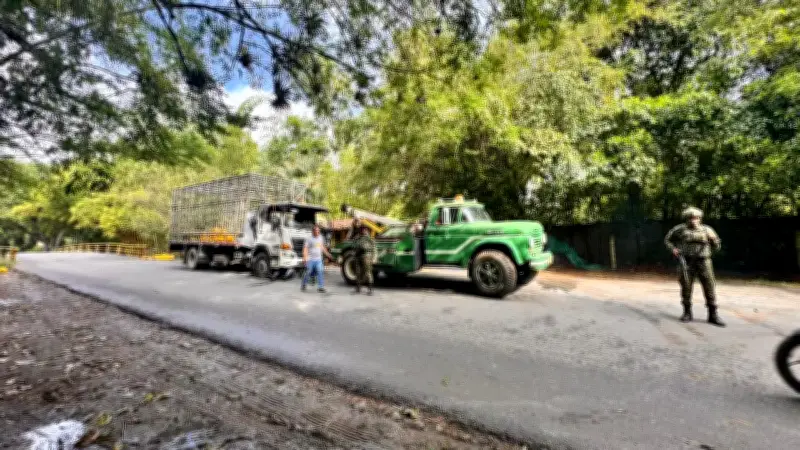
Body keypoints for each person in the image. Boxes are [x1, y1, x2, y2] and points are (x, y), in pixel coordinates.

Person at [664, 207, 725, 327]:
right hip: (686, 261)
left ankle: (713, 314)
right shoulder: (679, 229)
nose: (693, 220)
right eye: (690, 218)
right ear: (686, 219)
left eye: (696, 218)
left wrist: (714, 242)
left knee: (709, 286)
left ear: (700, 219)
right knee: (686, 286)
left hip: (704, 261)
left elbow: (717, 246)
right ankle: (687, 312)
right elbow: (668, 240)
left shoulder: (707, 230)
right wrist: (673, 250)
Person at [301, 225, 333, 293]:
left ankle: (321, 287)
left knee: (320, 271)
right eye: (316, 231)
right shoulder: (309, 238)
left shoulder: (321, 237)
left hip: (318, 259)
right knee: (308, 272)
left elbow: (322, 247)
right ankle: (304, 284)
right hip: (310, 259)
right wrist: (305, 258)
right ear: (313, 231)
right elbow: (305, 249)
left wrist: (328, 254)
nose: (317, 233)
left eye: (318, 231)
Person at [353, 225, 375, 295]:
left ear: (367, 230)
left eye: (365, 230)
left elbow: (374, 248)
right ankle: (358, 287)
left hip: (366, 256)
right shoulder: (358, 238)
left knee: (368, 272)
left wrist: (374, 258)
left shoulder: (369, 238)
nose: (364, 231)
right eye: (362, 229)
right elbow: (354, 245)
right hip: (358, 256)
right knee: (358, 272)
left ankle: (370, 289)